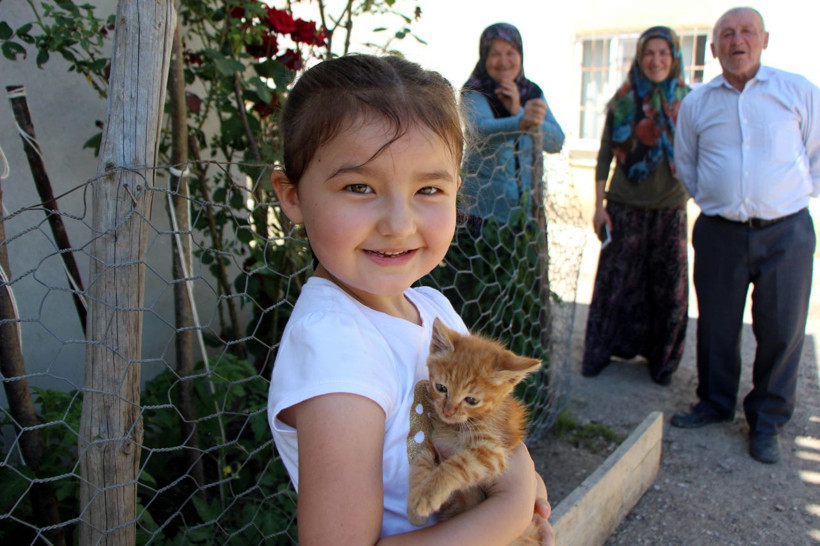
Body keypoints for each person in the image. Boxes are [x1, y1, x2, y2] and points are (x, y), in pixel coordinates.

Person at [266, 54, 554, 544]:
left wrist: (521, 482)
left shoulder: (432, 309)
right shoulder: (337, 349)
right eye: (358, 187)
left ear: (456, 193)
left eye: (428, 189)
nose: (398, 224)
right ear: (292, 196)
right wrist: (510, 509)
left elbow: (493, 420)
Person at [672, 7, 820, 464]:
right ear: (713, 48)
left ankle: (768, 421)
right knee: (716, 326)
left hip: (787, 232)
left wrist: (781, 200)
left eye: (747, 32)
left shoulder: (797, 91)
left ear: (764, 39)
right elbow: (687, 164)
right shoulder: (697, 100)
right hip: (720, 233)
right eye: (727, 34)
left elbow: (815, 155)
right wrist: (721, 202)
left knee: (781, 329)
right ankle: (715, 404)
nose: (738, 41)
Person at [581, 26, 690, 387]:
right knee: (614, 285)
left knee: (668, 288)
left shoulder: (688, 102)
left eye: (663, 53)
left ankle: (662, 362)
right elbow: (602, 158)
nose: (656, 60)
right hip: (624, 207)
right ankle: (599, 354)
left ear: (674, 58)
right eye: (649, 53)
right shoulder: (623, 100)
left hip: (670, 210)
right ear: (640, 57)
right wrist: (600, 207)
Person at [460, 22, 565, 229]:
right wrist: (520, 122)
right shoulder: (474, 91)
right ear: (484, 57)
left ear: (521, 55)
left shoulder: (532, 92)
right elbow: (480, 132)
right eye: (495, 54)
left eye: (510, 52)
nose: (503, 61)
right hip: (481, 212)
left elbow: (556, 142)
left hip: (528, 212)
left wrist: (519, 111)